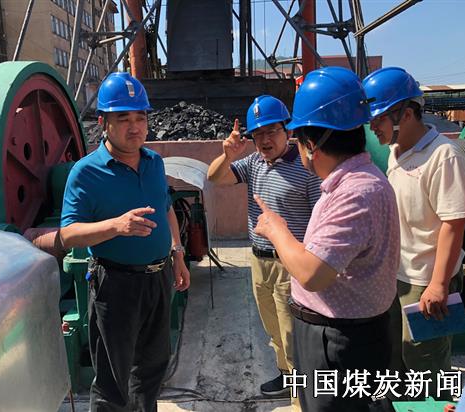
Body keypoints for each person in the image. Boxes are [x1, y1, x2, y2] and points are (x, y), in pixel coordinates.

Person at [253, 67, 400, 412]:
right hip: (342, 334)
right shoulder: (354, 181)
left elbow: (312, 273)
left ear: (311, 145)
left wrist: (276, 229)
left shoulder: (355, 193)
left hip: (339, 343)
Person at [60, 72, 190, 412]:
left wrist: (177, 253)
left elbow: (166, 208)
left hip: (158, 278)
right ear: (104, 123)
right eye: (123, 119)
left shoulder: (154, 162)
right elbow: (68, 234)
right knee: (112, 380)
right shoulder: (86, 172)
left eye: (140, 117)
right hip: (115, 284)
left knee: (152, 367)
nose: (135, 127)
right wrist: (116, 226)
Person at [363, 67, 465, 400]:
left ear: (406, 114)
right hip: (398, 275)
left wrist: (438, 285)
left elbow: (454, 223)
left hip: (427, 280)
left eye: (378, 119)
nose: (373, 127)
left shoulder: (443, 156)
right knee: (396, 356)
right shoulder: (396, 153)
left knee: (427, 362)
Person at [207, 95, 322, 398]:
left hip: (290, 264)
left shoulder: (306, 167)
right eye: (258, 134)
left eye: (272, 131)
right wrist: (227, 155)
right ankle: (286, 376)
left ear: (288, 130)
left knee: (292, 332)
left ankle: (302, 396)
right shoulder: (254, 163)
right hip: (259, 261)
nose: (265, 140)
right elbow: (215, 177)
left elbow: (319, 220)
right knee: (272, 327)